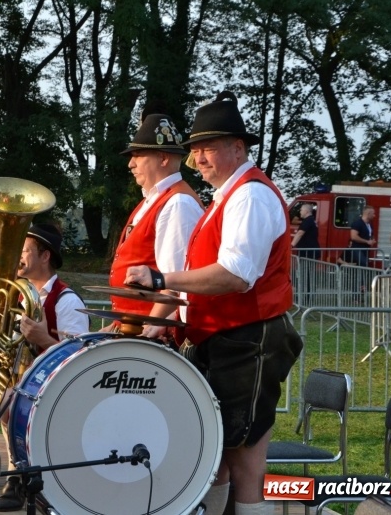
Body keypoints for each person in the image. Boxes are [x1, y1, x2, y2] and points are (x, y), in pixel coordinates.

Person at [124, 91, 302, 515]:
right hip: (229, 339)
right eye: (195, 149)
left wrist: (163, 279)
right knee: (219, 458)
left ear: (237, 148)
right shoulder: (229, 195)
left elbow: (236, 276)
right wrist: (158, 322)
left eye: (207, 147)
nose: (198, 158)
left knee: (243, 461)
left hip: (246, 340)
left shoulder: (250, 196)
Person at [0, 223, 90, 512]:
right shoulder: (20, 296)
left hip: (57, 394)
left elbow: (78, 362)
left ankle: (27, 478)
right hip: (25, 386)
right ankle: (19, 473)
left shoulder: (67, 301)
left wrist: (44, 339)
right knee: (6, 401)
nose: (17, 258)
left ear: (45, 256)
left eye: (23, 251)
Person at [110, 113, 203, 338]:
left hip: (154, 334)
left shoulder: (178, 203)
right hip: (137, 327)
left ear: (162, 159)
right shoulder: (154, 199)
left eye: (138, 155)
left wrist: (149, 329)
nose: (131, 164)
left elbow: (175, 283)